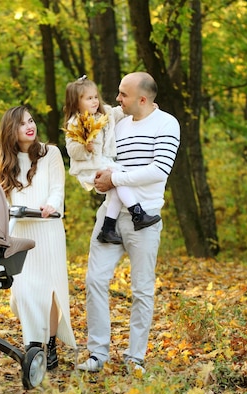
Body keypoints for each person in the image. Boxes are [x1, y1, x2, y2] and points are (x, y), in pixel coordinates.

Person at [77, 72, 180, 373]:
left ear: (143, 99)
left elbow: (159, 169)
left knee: (142, 290)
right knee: (94, 281)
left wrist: (115, 178)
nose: (117, 99)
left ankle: (135, 357)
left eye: (123, 95)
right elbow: (104, 160)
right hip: (110, 215)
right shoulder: (118, 125)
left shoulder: (166, 124)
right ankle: (97, 354)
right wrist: (98, 179)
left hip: (143, 220)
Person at [0, 105, 77, 370]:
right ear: (11, 131)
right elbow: (0, 199)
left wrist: (52, 205)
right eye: (22, 123)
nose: (30, 126)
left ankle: (48, 344)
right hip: (20, 233)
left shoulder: (50, 153)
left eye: (31, 120)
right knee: (24, 291)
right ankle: (32, 343)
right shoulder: (5, 160)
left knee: (49, 291)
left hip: (47, 230)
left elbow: (56, 189)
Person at [63, 76, 161, 245]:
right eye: (88, 99)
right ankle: (137, 214)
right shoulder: (75, 123)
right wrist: (84, 148)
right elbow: (71, 149)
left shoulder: (104, 114)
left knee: (116, 189)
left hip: (105, 162)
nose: (94, 101)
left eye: (95, 97)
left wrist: (147, 107)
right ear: (76, 103)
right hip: (89, 167)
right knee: (120, 178)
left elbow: (119, 112)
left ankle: (107, 228)